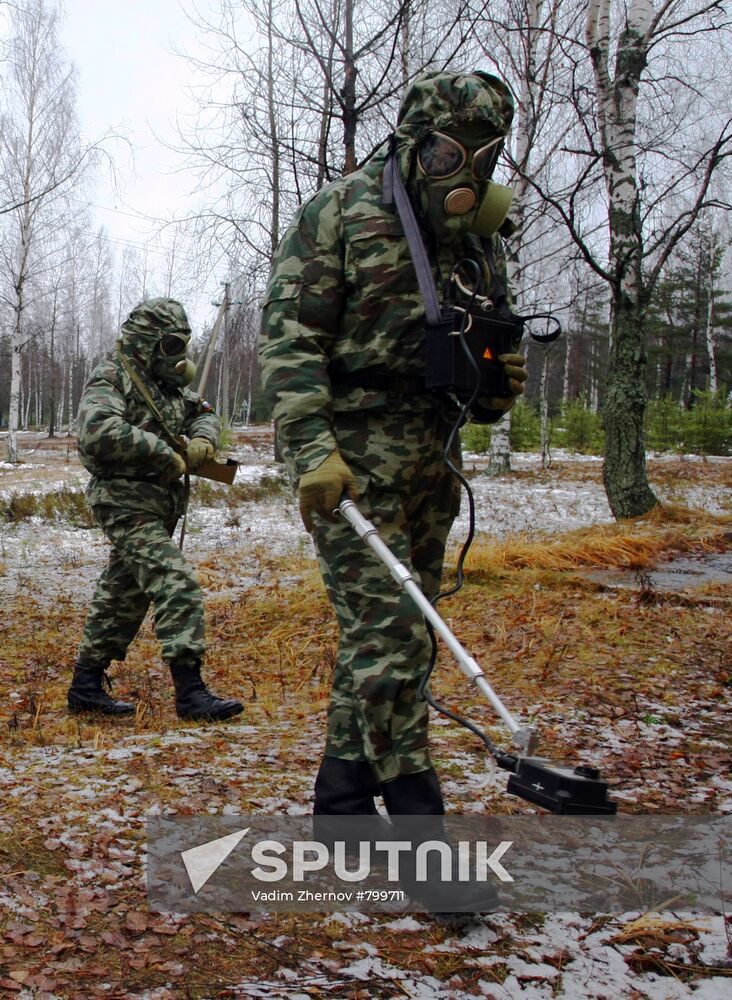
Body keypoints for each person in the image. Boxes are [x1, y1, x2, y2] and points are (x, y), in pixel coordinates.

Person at [259, 71, 526, 910]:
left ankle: (340, 809)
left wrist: (498, 381)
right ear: (416, 144)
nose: (467, 176)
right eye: (452, 154)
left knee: (394, 632)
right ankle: (423, 846)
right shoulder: (339, 214)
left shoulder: (483, 242)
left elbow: (484, 371)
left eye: (484, 158)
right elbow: (289, 342)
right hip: (349, 453)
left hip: (433, 458)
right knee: (393, 637)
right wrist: (312, 453)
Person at [68, 297, 243, 723]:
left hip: (159, 505)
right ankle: (190, 694)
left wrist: (204, 439)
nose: (178, 355)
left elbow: (201, 412)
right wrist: (164, 454)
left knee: (121, 595)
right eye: (169, 345)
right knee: (174, 581)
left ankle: (85, 687)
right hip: (125, 503)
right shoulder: (111, 378)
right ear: (147, 342)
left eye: (182, 344)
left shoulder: (167, 386)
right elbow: (97, 431)